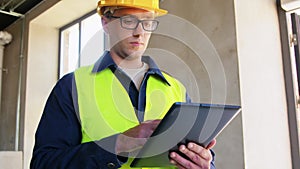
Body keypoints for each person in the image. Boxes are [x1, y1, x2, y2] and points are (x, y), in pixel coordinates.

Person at [30, 0, 217, 168]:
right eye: (129, 21)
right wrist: (119, 143)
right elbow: (43, 164)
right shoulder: (73, 87)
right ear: (105, 23)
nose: (140, 32)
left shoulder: (176, 89)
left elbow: (200, 157)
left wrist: (204, 164)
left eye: (148, 22)